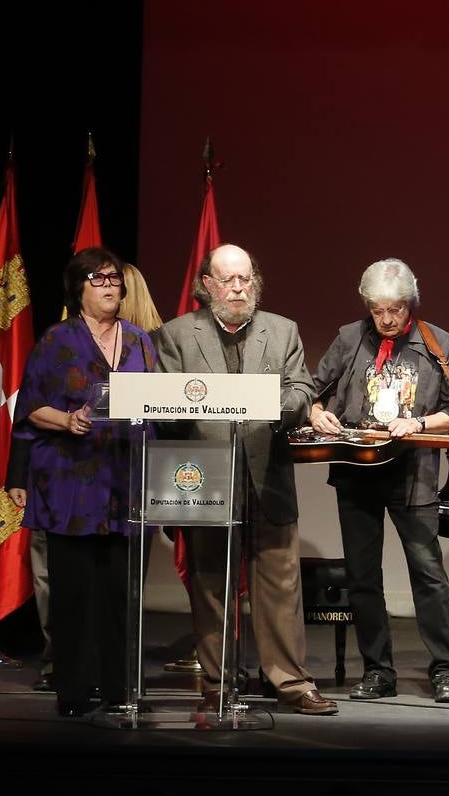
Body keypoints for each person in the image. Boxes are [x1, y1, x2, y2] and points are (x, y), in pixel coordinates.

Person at [154, 244, 336, 716]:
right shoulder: (176, 335)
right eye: (228, 280)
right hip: (203, 478)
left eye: (246, 279)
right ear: (207, 285)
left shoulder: (282, 330)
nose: (238, 288)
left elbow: (301, 387)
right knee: (211, 583)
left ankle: (291, 682)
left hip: (267, 474)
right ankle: (218, 680)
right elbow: (165, 402)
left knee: (280, 584)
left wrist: (272, 403)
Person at [308, 259, 449, 704]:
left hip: (412, 475)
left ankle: (446, 671)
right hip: (357, 473)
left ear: (410, 304)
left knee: (428, 573)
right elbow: (310, 389)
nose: (387, 320)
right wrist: (316, 412)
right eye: (378, 311)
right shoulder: (349, 338)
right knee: (363, 576)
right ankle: (378, 671)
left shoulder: (438, 342)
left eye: (396, 310)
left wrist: (418, 423)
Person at [12, 248, 156, 716]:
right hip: (71, 485)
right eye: (99, 280)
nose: (111, 286)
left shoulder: (140, 342)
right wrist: (66, 419)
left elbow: (157, 404)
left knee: (119, 593)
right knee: (73, 593)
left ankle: (118, 689)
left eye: (115, 279)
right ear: (79, 289)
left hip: (126, 482)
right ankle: (73, 690)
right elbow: (31, 405)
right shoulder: (56, 341)